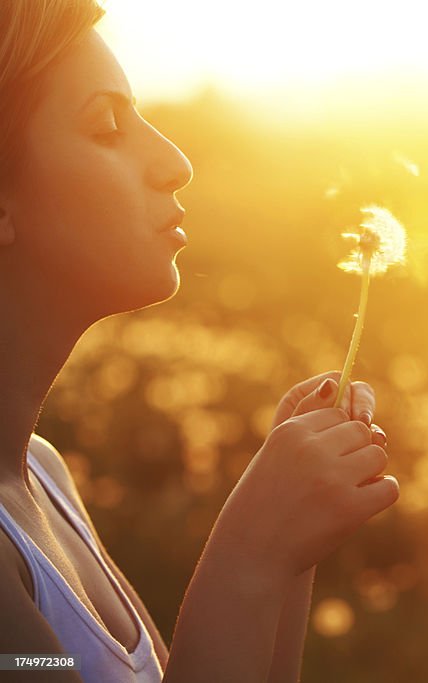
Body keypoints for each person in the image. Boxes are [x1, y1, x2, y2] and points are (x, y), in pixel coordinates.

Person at [0, 1, 400, 681]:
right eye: (106, 127)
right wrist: (250, 552)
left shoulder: (42, 473)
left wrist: (288, 550)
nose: (176, 161)